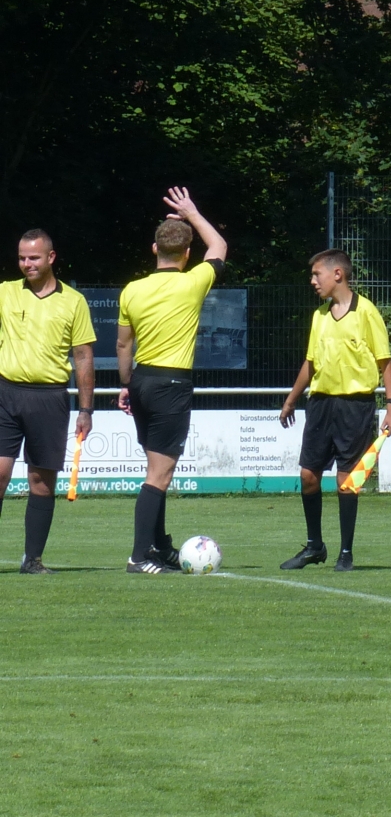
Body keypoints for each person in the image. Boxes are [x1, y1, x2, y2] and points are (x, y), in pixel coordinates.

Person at [116, 188, 227, 574]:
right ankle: (138, 556)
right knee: (159, 475)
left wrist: (127, 384)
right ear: (187, 255)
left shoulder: (132, 289)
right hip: (171, 384)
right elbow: (220, 244)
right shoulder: (192, 282)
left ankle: (160, 545)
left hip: (143, 381)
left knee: (154, 468)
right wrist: (192, 211)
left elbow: (123, 344)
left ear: (153, 249)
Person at [277, 250, 391, 573]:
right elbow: (311, 362)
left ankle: (345, 551)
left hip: (355, 406)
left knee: (347, 481)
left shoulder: (366, 313)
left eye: (317, 274)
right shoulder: (319, 316)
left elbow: (385, 363)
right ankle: (314, 545)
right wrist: (292, 399)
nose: (312, 280)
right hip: (320, 405)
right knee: (308, 476)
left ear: (337, 275)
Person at [0, 229, 95, 573]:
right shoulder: (5, 293)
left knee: (41, 481)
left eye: (34, 257)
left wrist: (86, 409)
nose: (27, 263)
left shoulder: (74, 301)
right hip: (5, 393)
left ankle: (33, 560)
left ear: (51, 258)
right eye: (23, 258)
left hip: (50, 398)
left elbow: (83, 357)